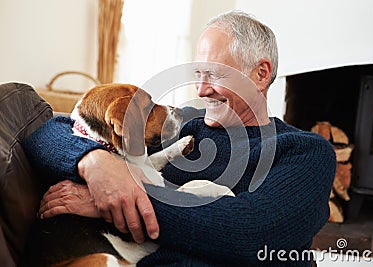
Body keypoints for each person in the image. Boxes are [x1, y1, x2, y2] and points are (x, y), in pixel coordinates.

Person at [23, 11, 336, 266]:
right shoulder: (187, 125)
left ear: (261, 73)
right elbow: (45, 134)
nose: (200, 90)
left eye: (214, 74)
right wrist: (95, 163)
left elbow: (251, 233)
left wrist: (114, 201)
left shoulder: (306, 152)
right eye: (198, 74)